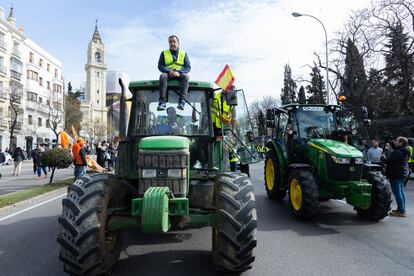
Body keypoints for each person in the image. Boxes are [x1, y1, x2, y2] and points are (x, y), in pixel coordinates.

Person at [157, 35, 191, 111]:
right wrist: (169, 71)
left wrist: (179, 72)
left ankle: (182, 101)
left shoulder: (184, 54)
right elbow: (160, 66)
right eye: (170, 42)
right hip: (168, 73)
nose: (172, 43)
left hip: (180, 74)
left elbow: (187, 67)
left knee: (186, 77)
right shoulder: (164, 53)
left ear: (178, 43)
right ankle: (162, 102)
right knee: (163, 76)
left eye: (174, 41)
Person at [381, 136, 410, 217]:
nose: (395, 141)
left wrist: (382, 157)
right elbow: (395, 149)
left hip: (395, 175)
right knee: (400, 192)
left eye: (396, 140)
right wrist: (391, 142)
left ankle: (401, 211)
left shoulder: (397, 152)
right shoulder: (405, 151)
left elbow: (388, 161)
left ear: (401, 143)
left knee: (397, 193)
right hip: (402, 174)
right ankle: (401, 209)